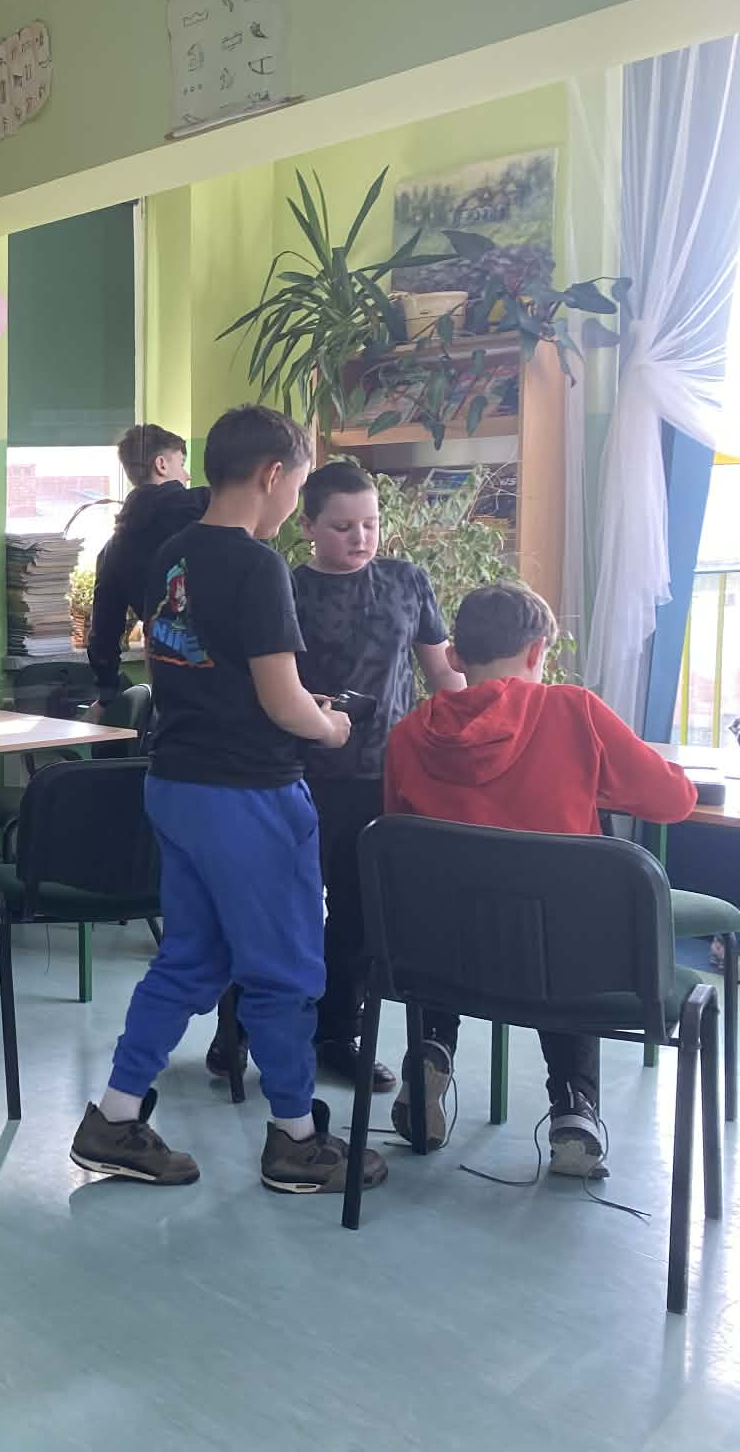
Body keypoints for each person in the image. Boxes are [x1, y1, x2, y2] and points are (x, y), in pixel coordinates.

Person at [68, 404, 383, 1195]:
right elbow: (283, 702)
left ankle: (114, 1118)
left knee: (192, 959)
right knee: (284, 971)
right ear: (274, 475)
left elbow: (207, 669)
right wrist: (331, 725)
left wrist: (290, 702)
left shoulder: (171, 554)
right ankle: (296, 1140)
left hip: (178, 783)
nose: (293, 502)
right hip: (250, 792)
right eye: (298, 485)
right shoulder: (257, 566)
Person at [382, 582, 698, 1176]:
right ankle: (574, 1108)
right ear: (537, 651)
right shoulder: (574, 711)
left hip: (441, 961)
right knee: (563, 920)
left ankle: (431, 1048)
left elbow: (402, 849)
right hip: (559, 964)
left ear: (455, 656)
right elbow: (671, 800)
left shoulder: (408, 735)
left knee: (446, 896)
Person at [289, 460, 464, 1090]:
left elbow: (443, 675)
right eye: (342, 527)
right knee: (284, 910)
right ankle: (244, 1026)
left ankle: (338, 1032)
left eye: (370, 523)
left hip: (382, 775)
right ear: (308, 525)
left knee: (359, 914)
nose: (360, 537)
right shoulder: (286, 588)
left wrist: (480, 726)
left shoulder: (406, 581)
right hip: (297, 773)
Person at [87, 424, 210, 709]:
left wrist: (106, 694)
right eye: (182, 463)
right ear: (161, 465)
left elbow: (105, 628)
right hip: (228, 669)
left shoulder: (115, 546)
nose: (187, 475)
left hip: (167, 673)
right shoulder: (206, 507)